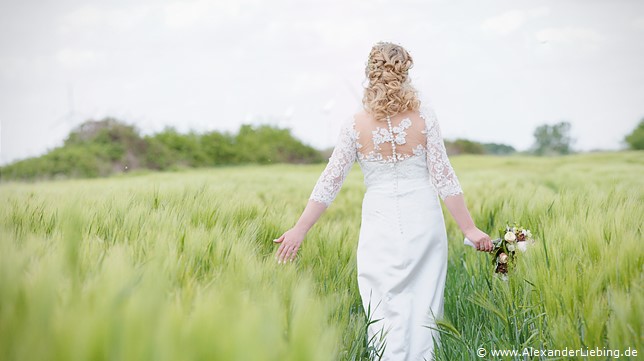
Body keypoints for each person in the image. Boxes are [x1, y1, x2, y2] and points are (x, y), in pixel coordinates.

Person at [273, 41, 492, 360]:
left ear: (370, 73)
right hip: (423, 218)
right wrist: (469, 229)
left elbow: (330, 181)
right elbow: (444, 176)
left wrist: (300, 229)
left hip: (380, 221)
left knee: (383, 301)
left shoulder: (354, 124)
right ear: (405, 73)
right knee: (424, 304)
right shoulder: (424, 117)